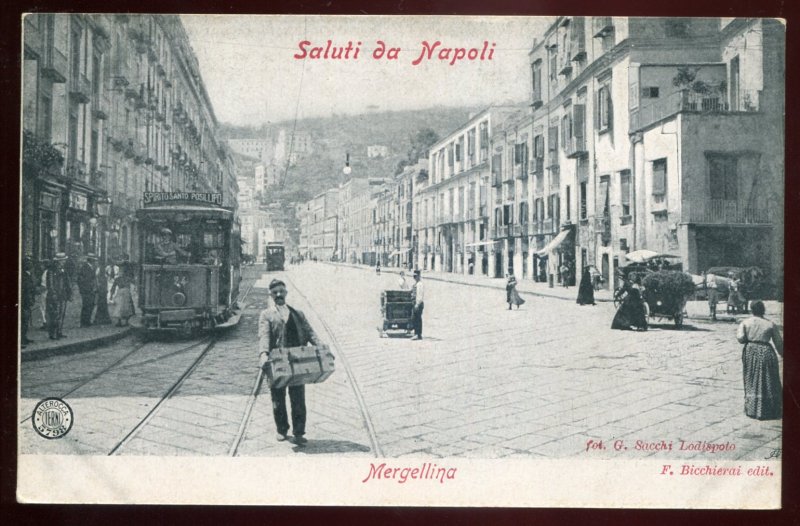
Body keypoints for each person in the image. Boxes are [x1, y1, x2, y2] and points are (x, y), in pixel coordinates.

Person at [258, 279, 324, 446]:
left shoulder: (297, 313)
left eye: (281, 291)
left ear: (286, 292)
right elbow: (264, 336)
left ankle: (299, 432)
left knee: (298, 398)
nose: (279, 294)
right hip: (277, 361)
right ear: (271, 295)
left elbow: (310, 333)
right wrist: (263, 354)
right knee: (277, 398)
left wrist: (322, 349)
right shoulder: (266, 315)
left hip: (297, 361)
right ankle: (281, 429)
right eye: (275, 292)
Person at [736, 301, 783, 420]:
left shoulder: (745, 323)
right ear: (763, 310)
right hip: (766, 351)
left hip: (751, 351)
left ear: (752, 310)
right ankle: (768, 409)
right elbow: (779, 344)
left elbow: (740, 339)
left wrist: (749, 337)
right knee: (768, 380)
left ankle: (752, 409)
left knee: (752, 378)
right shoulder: (770, 324)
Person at [45, 253, 72, 340]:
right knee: (54, 314)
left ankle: (59, 332)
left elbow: (67, 282)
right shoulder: (51, 271)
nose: (64, 261)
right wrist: (53, 293)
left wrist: (69, 293)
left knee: (61, 314)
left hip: (62, 295)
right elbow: (50, 284)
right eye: (63, 260)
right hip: (55, 295)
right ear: (58, 261)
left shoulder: (63, 270)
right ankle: (53, 333)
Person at [77, 254, 98, 327]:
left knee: (90, 305)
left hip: (90, 290)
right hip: (87, 290)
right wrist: (85, 289)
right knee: (86, 306)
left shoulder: (90, 267)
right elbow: (82, 280)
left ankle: (87, 321)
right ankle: (84, 322)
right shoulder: (85, 268)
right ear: (91, 260)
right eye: (94, 260)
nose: (95, 262)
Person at [21, 257, 37, 346]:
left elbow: (32, 287)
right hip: (24, 300)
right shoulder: (23, 275)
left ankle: (24, 337)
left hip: (28, 300)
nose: (30, 264)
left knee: (26, 320)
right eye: (27, 263)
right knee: (23, 319)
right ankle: (21, 339)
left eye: (30, 263)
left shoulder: (29, 274)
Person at [94, 259, 112, 325]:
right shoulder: (99, 270)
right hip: (101, 289)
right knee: (101, 304)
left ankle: (101, 318)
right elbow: (97, 278)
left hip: (103, 290)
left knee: (102, 304)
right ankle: (102, 319)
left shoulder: (104, 270)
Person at [411, 269, 425, 340]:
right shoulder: (416, 284)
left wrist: (417, 304)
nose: (415, 277)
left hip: (418, 304)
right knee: (416, 318)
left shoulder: (420, 284)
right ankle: (417, 334)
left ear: (419, 276)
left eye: (416, 276)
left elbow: (420, 295)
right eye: (414, 276)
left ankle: (418, 334)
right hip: (415, 303)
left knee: (417, 319)